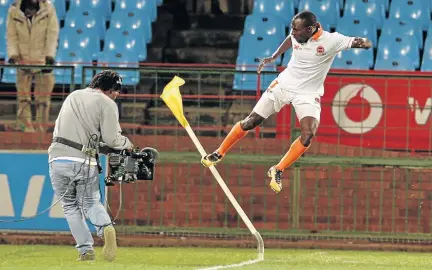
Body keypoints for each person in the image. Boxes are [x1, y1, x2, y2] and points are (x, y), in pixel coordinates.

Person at [201, 11, 372, 193]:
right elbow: (290, 39)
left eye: (296, 30)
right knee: (251, 121)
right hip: (284, 84)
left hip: (308, 93)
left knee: (308, 134)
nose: (293, 32)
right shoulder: (298, 34)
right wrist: (274, 56)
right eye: (292, 28)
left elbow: (361, 42)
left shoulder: (332, 40)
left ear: (310, 29)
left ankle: (277, 169)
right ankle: (219, 153)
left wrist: (364, 43)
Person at [48, 70, 133, 261]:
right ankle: (105, 227)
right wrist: (127, 144)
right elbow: (113, 139)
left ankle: (85, 251)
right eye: (117, 90)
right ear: (112, 88)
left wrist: (100, 148)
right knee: (90, 202)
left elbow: (72, 132)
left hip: (57, 158)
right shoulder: (108, 103)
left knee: (70, 206)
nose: (117, 94)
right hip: (84, 160)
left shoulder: (73, 95)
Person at [6, 0, 59, 132]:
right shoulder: (14, 11)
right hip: (22, 61)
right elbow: (11, 35)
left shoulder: (48, 9)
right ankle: (26, 128)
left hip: (43, 60)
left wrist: (49, 56)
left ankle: (41, 128)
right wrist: (13, 54)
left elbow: (52, 34)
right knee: (23, 98)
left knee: (43, 98)